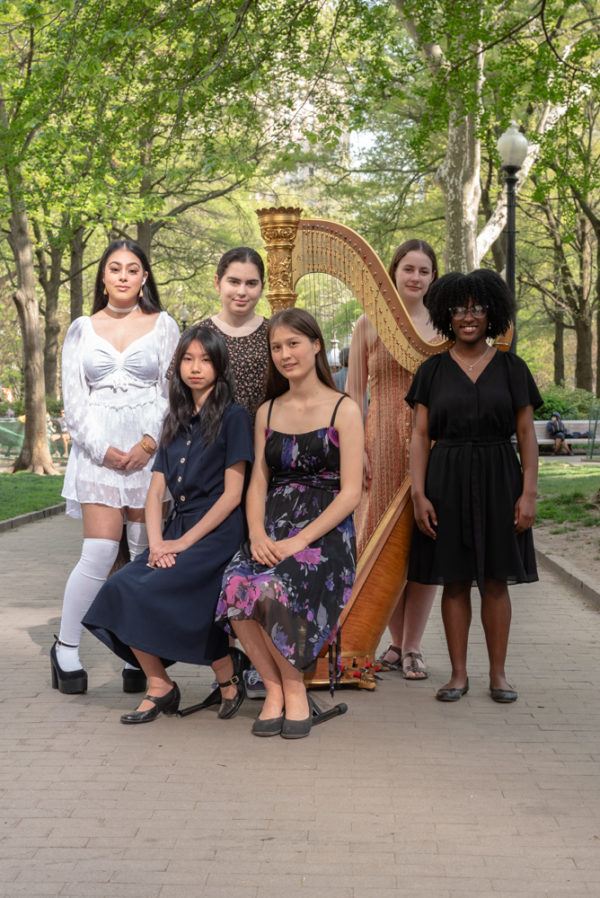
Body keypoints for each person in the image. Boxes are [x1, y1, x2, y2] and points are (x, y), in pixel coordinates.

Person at [82, 326, 254, 723]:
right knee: (121, 587)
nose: (195, 368)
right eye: (188, 359)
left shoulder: (234, 417)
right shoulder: (172, 419)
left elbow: (232, 495)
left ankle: (225, 670)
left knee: (161, 591)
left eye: (205, 360)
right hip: (175, 530)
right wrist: (157, 542)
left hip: (218, 533)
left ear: (219, 366)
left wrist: (181, 544)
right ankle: (161, 684)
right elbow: (156, 489)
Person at [216, 308, 364, 739]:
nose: (285, 354)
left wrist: (299, 541)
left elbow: (351, 493)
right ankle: (275, 689)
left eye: (293, 344)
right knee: (234, 585)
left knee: (270, 589)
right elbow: (258, 483)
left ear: (316, 345)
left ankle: (295, 689)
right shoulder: (267, 411)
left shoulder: (344, 409)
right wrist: (257, 534)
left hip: (324, 534)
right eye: (277, 347)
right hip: (273, 527)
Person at [51, 239, 180, 695]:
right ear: (103, 277)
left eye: (132, 269)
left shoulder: (164, 325)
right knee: (100, 553)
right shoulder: (81, 329)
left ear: (144, 277)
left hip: (150, 453)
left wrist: (148, 444)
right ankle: (65, 647)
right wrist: (103, 449)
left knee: (143, 554)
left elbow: (172, 393)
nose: (123, 276)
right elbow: (74, 400)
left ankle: (137, 652)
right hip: (96, 456)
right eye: (115, 268)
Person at [406, 269, 541, 704]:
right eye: (459, 309)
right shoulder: (431, 371)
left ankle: (499, 675)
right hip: (445, 479)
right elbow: (419, 436)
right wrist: (418, 493)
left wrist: (529, 492)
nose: (468, 317)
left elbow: (526, 435)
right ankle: (458, 675)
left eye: (478, 308)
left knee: (496, 580)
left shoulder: (513, 368)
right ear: (446, 315)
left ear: (492, 313)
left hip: (501, 477)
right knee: (456, 581)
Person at [346, 239, 441, 680]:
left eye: (424, 271)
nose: (416, 277)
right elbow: (353, 394)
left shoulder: (443, 327)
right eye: (408, 269)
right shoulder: (368, 324)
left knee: (424, 545)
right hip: (379, 443)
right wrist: (356, 449)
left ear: (433, 277)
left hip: (432, 446)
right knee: (380, 543)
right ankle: (393, 642)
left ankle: (412, 646)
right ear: (392, 272)